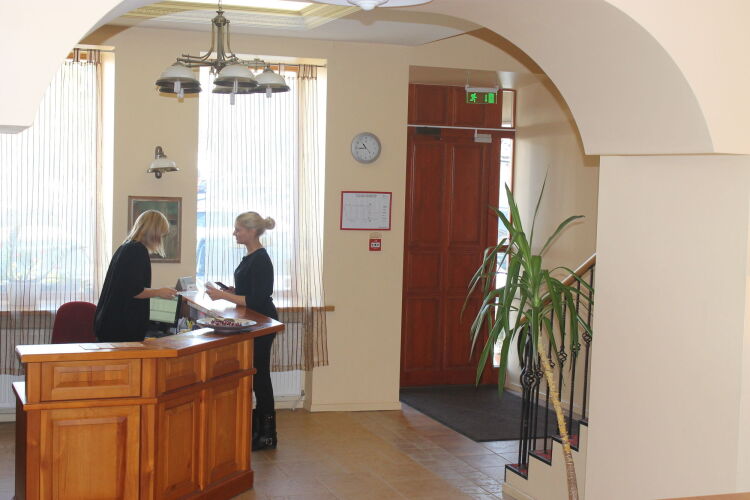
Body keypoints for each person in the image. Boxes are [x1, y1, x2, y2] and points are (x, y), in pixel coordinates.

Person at [205, 211, 278, 451]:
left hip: (262, 323)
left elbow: (256, 299)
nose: (234, 233)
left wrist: (222, 295)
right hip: (252, 321)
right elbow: (249, 289)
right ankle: (257, 429)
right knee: (255, 374)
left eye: (238, 229)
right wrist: (232, 290)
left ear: (252, 231)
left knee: (260, 376)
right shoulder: (249, 257)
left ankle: (268, 434)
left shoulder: (261, 259)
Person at [94, 210, 177, 342]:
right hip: (120, 328)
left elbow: (128, 286)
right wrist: (159, 292)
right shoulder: (137, 251)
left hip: (111, 323)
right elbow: (134, 291)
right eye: (161, 234)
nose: (161, 238)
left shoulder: (126, 247)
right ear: (154, 233)